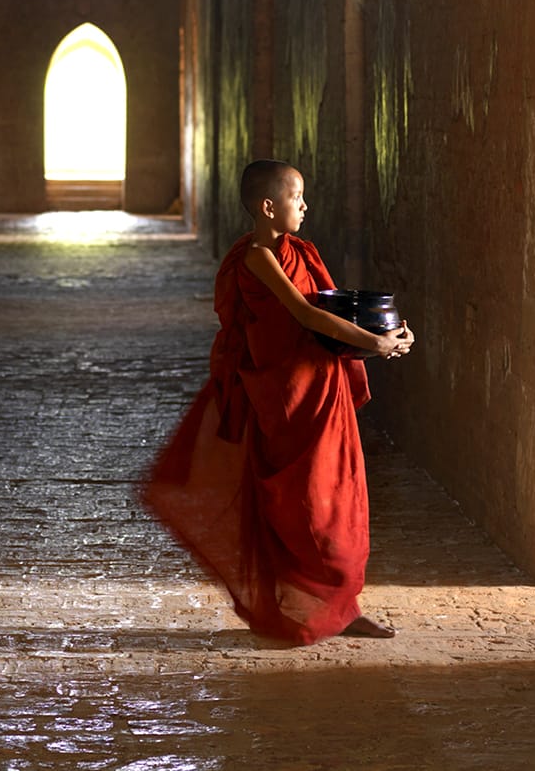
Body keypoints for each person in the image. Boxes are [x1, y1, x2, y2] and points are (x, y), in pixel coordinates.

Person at [142, 159, 415, 643]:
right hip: (286, 398)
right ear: (269, 207)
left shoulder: (300, 250)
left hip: (322, 388)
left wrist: (388, 331)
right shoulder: (257, 258)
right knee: (304, 507)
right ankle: (298, 607)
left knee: (341, 501)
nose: (305, 206)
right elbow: (307, 315)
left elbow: (337, 308)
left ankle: (343, 607)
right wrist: (375, 346)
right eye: (297, 198)